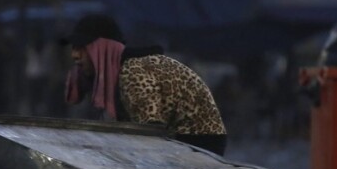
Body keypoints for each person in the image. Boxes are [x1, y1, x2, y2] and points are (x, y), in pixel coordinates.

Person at [62, 14, 228, 155]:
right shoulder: (120, 72)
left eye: (83, 48)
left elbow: (149, 132)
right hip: (182, 140)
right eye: (74, 48)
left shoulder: (132, 72)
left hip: (198, 142)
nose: (75, 55)